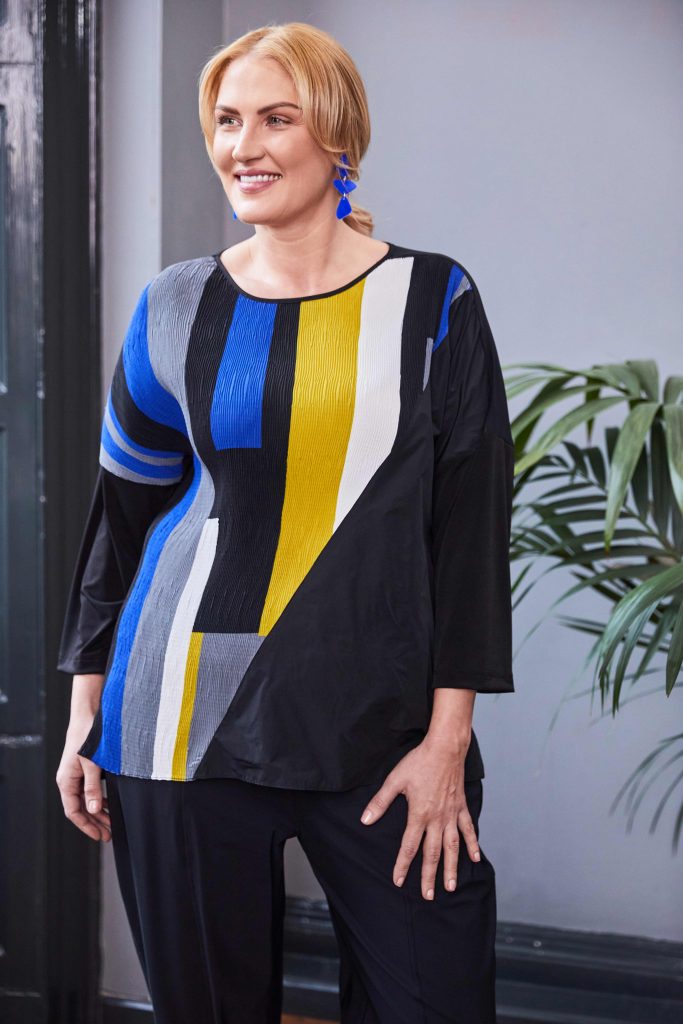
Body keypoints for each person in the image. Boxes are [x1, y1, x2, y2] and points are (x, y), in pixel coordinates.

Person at [55, 21, 515, 1024]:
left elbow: (471, 536)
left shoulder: (432, 300)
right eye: (226, 122)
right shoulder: (174, 304)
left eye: (276, 118)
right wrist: (86, 709)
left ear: (337, 134)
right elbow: (122, 522)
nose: (243, 146)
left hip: (382, 728)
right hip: (176, 721)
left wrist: (447, 742)